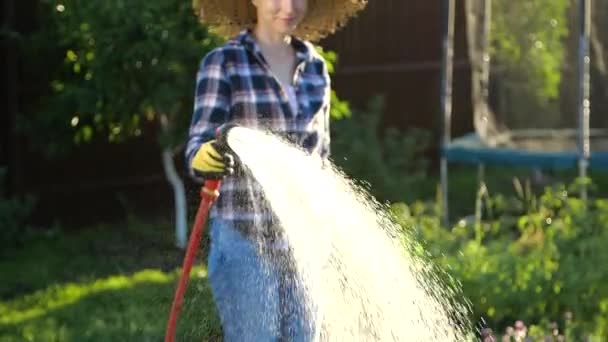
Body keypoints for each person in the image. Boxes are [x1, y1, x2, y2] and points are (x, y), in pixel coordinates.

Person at [186, 0, 367, 340]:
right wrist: (203, 156)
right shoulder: (223, 63)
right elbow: (198, 143)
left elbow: (320, 158)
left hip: (305, 241)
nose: (289, 7)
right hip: (245, 238)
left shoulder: (315, 68)